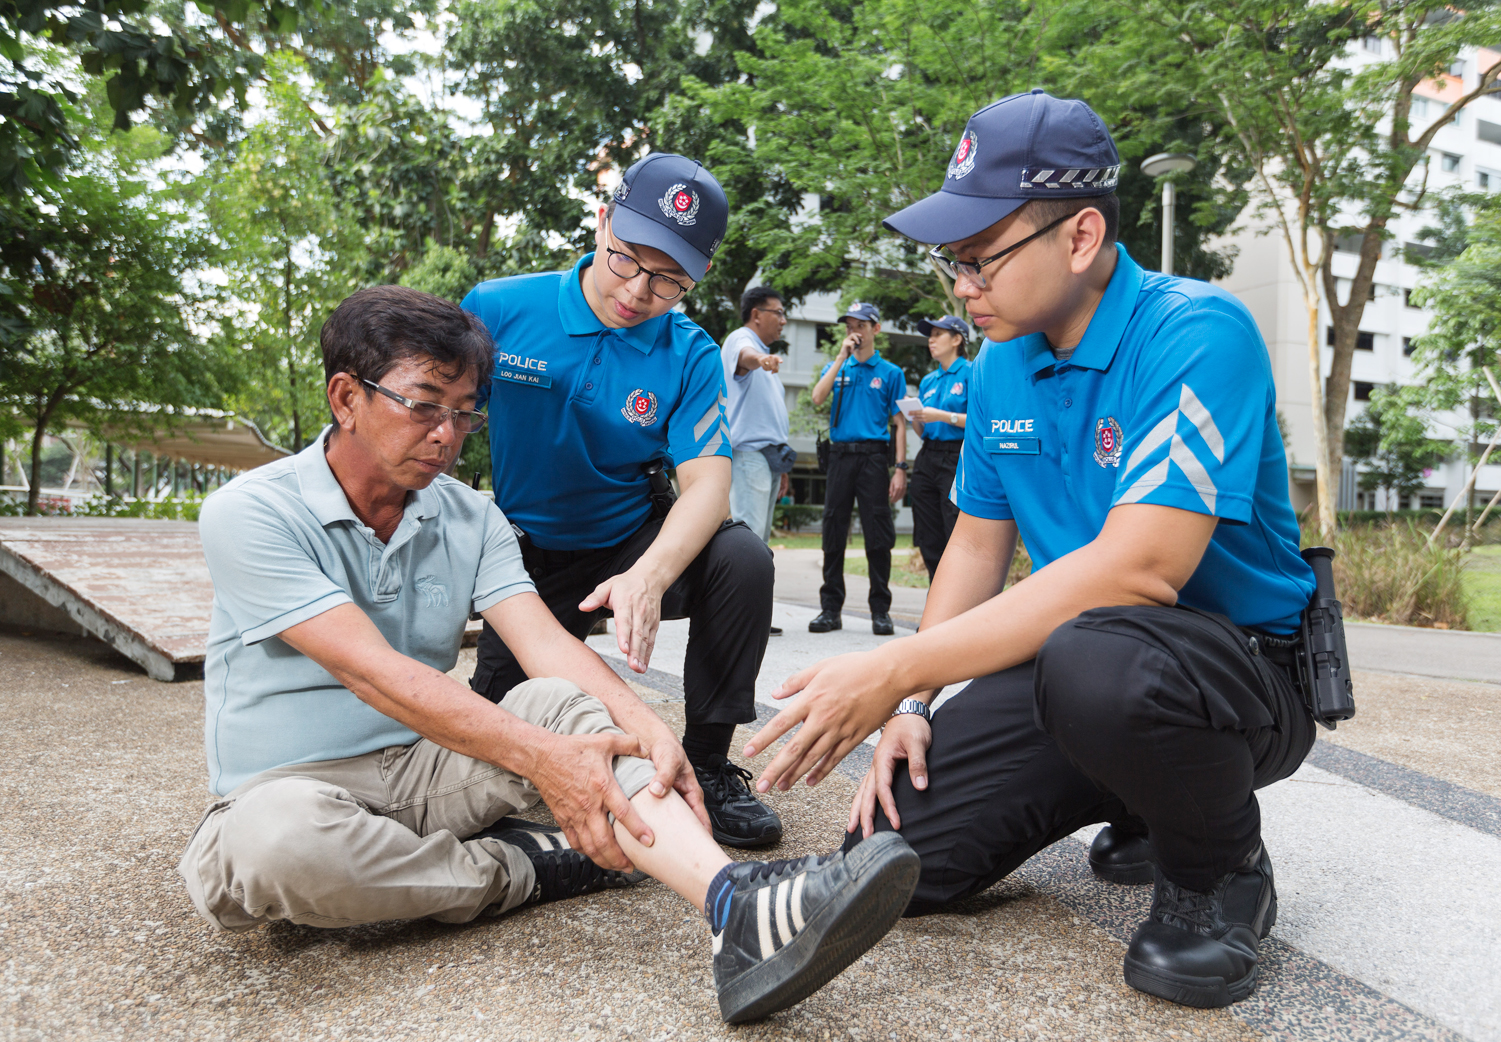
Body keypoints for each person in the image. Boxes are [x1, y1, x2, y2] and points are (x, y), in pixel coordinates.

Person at [178, 285, 920, 1024]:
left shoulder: (472, 516)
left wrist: (652, 736)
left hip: (425, 765)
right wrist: (542, 763)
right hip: (289, 788)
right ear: (346, 396)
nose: (449, 434)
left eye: (466, 412)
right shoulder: (252, 511)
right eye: (425, 404)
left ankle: (736, 903)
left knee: (572, 710)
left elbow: (546, 644)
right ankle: (529, 865)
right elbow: (377, 675)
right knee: (274, 845)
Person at [740, 90, 1320, 1011]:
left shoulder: (1194, 334)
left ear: (1080, 236)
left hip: (1236, 673)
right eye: (952, 263)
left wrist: (892, 667)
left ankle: (1219, 872)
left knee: (1094, 656)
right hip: (1096, 663)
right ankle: (1136, 795)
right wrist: (916, 705)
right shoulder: (1004, 357)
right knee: (898, 858)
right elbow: (974, 544)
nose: (961, 287)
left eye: (979, 259)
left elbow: (1142, 568)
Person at [462, 154, 782, 850]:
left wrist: (649, 575)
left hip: (624, 537)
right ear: (601, 221)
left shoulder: (689, 353)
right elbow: (438, 423)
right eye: (625, 261)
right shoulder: (499, 308)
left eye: (668, 280)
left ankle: (706, 759)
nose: (638, 291)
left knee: (742, 558)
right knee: (482, 753)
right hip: (524, 554)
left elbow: (706, 484)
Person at [807, 302, 908, 636]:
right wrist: (840, 358)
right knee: (833, 529)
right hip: (840, 457)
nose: (856, 330)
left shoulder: (891, 373)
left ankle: (881, 610)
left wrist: (900, 468)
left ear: (875, 329)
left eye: (862, 325)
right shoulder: (840, 368)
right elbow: (818, 398)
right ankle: (830, 609)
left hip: (874, 458)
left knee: (878, 534)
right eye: (851, 325)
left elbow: (899, 423)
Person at [721, 285, 797, 635]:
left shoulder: (767, 356)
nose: (782, 320)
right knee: (750, 542)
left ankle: (755, 618)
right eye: (777, 312)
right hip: (749, 457)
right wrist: (761, 361)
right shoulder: (742, 340)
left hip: (768, 460)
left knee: (761, 543)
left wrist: (783, 470)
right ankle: (741, 619)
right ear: (756, 315)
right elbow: (745, 357)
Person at [906, 316, 972, 580]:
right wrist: (915, 417)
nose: (931, 340)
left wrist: (942, 415)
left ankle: (959, 607)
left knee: (952, 528)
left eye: (937, 334)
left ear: (956, 339)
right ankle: (937, 600)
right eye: (929, 335)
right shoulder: (929, 380)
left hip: (956, 455)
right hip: (927, 455)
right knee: (927, 533)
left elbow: (980, 422)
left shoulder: (971, 372)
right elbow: (923, 429)